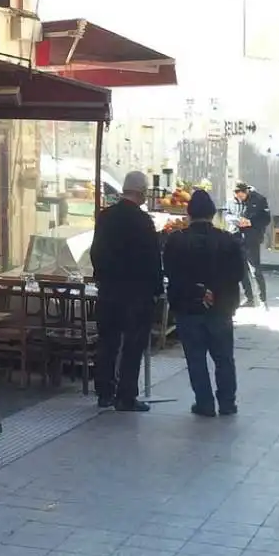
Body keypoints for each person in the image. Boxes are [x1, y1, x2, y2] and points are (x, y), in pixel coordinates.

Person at [162, 189, 246, 416]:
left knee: (196, 358)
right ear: (212, 213)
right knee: (224, 358)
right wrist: (213, 290)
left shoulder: (176, 241)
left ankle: (204, 403)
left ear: (189, 213)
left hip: (188, 307)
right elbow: (238, 273)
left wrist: (197, 289)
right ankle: (227, 403)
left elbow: (170, 271)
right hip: (221, 308)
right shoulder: (228, 241)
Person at [90, 169, 163, 412]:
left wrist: (101, 275)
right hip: (136, 293)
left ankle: (104, 392)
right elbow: (153, 259)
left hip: (109, 290)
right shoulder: (143, 222)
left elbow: (96, 251)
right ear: (142, 193)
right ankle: (126, 396)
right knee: (133, 346)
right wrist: (156, 289)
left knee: (107, 342)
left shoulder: (105, 216)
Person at [233, 182, 271, 308]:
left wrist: (251, 222)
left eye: (241, 194)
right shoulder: (235, 200)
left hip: (253, 237)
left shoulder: (259, 199)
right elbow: (230, 213)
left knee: (255, 269)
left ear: (246, 191)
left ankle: (262, 299)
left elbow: (266, 219)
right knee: (242, 270)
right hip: (239, 237)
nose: (239, 197)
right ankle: (249, 298)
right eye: (237, 195)